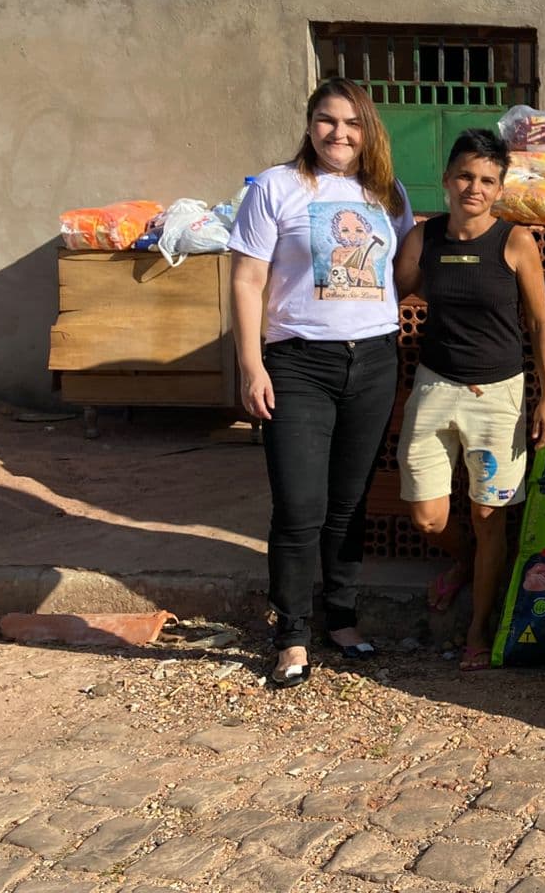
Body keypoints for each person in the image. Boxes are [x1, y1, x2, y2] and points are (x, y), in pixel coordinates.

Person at [229, 77, 415, 689]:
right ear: (310, 124)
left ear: (369, 131)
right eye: (328, 120)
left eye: (353, 123)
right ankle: (291, 633)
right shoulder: (274, 188)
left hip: (374, 361)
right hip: (298, 363)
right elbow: (248, 281)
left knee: (349, 501)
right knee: (299, 505)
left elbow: (404, 269)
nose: (340, 133)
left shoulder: (386, 194)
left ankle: (341, 617)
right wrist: (251, 364)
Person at [393, 129, 545, 671]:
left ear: (500, 188)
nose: (475, 187)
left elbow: (539, 323)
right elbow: (391, 291)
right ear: (446, 180)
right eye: (465, 175)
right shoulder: (425, 239)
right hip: (435, 388)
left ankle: (478, 631)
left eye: (487, 180)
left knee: (489, 514)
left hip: (499, 397)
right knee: (427, 517)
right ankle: (465, 564)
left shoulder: (514, 242)